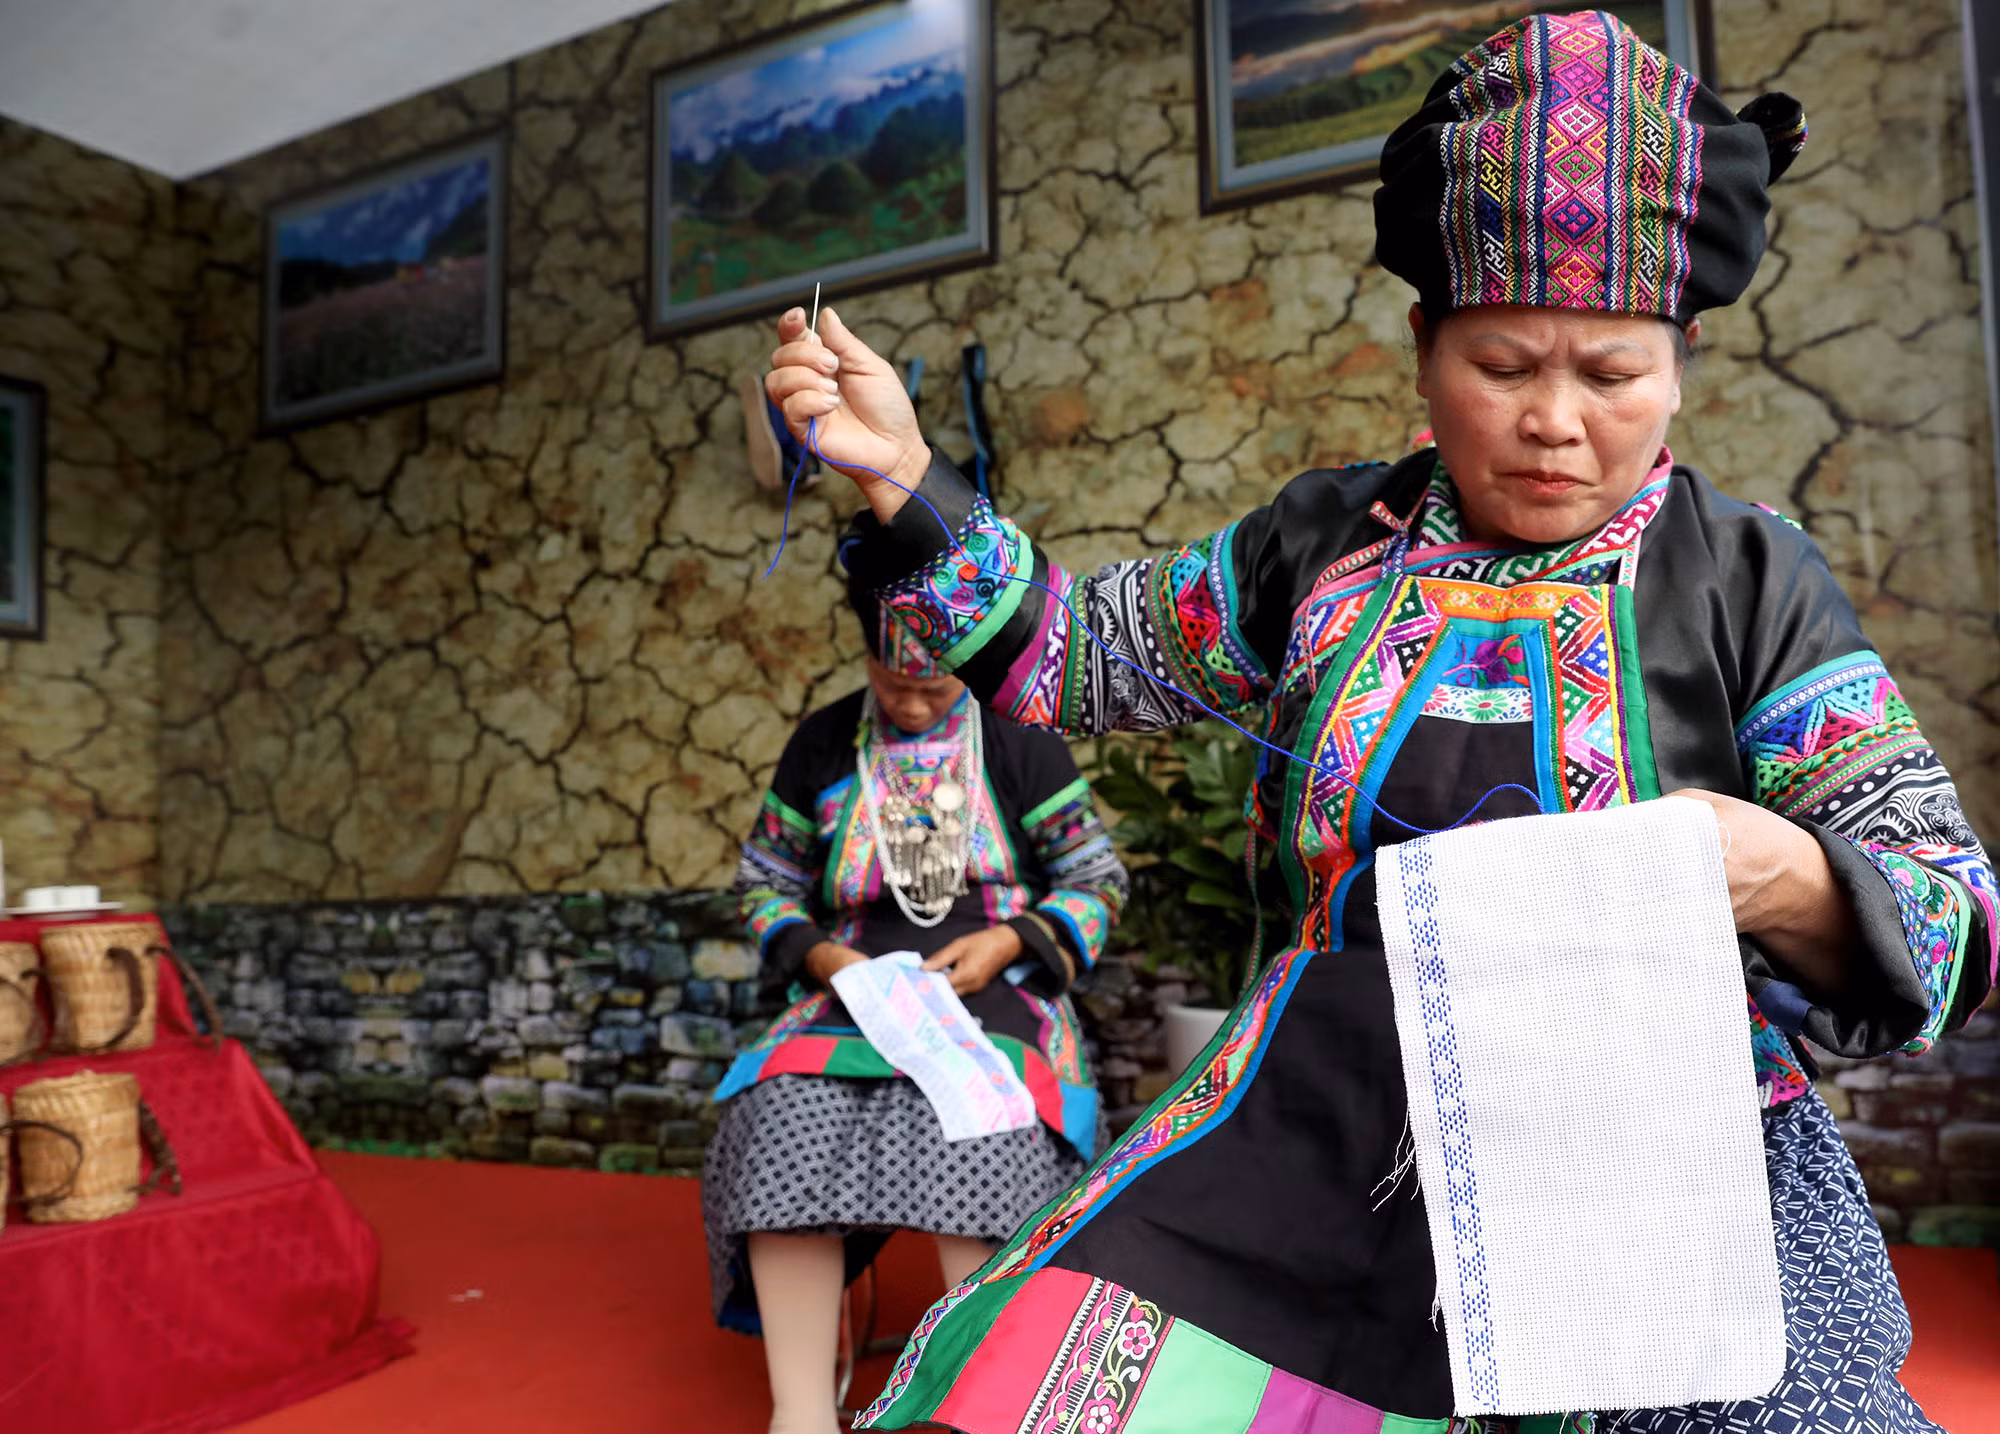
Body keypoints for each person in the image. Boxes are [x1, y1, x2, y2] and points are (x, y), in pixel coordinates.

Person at [762, 12, 1995, 1433]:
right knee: (1019, 1393)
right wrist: (908, 477)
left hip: (1654, 1175)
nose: (1553, 420)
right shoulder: (1324, 546)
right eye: (1504, 364)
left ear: (1687, 358)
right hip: (1318, 1133)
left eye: (1611, 375)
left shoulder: (1749, 577)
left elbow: (1949, 905)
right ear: (1422, 343)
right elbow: (1068, 657)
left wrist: (1772, 867)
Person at [702, 568, 1129, 1434]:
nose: (910, 702)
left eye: (932, 684)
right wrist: (820, 955)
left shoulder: (1019, 739)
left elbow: (1095, 877)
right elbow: (765, 883)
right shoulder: (822, 744)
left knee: (985, 1132)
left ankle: (980, 1408)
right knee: (782, 1115)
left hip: (998, 984)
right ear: (866, 658)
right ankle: (801, 1412)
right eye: (892, 682)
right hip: (852, 984)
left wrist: (1009, 942)